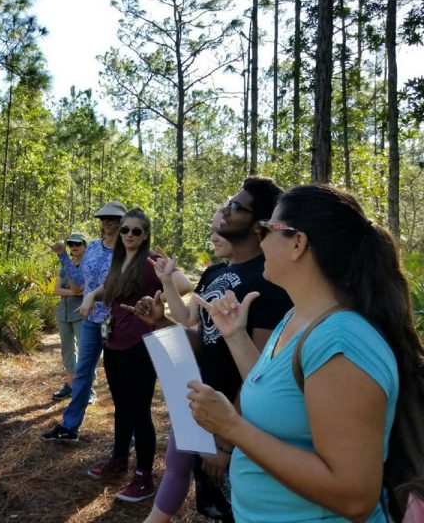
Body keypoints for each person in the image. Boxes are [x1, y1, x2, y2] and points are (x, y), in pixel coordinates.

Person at [188, 184, 419, 522]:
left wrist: (232, 427)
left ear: (298, 243)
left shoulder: (342, 342)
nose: (260, 238)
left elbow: (354, 496)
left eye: (267, 229)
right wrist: (236, 336)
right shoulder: (297, 317)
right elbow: (276, 393)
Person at [134, 177, 292, 523]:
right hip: (205, 403)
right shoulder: (215, 271)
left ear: (257, 223)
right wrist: (162, 324)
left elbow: (260, 370)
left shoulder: (268, 280)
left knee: (239, 509)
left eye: (236, 207)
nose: (225, 210)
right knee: (212, 505)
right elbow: (203, 338)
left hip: (239, 421)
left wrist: (227, 440)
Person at [82, 209, 194, 503]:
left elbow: (184, 285)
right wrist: (91, 295)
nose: (129, 235)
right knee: (121, 407)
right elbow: (111, 288)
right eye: (125, 230)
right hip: (114, 341)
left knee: (139, 411)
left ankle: (144, 475)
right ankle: (119, 459)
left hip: (140, 345)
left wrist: (159, 292)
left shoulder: (151, 261)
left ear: (145, 235)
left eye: (136, 231)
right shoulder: (120, 260)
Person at [42, 201, 127, 442]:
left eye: (113, 218)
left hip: (116, 320)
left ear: (122, 222)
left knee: (119, 378)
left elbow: (121, 283)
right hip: (90, 319)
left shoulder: (126, 250)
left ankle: (128, 431)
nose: (107, 222)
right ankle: (70, 427)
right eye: (104, 218)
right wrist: (62, 256)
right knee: (82, 372)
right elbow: (78, 282)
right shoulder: (92, 249)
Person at [51, 232, 87, 399]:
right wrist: (73, 291)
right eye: (71, 244)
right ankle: (70, 384)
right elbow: (56, 290)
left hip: (81, 312)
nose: (74, 247)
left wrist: (75, 291)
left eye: (77, 244)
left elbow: (84, 290)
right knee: (67, 350)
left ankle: (87, 388)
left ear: (85, 246)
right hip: (63, 313)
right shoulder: (66, 265)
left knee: (85, 350)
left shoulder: (87, 265)